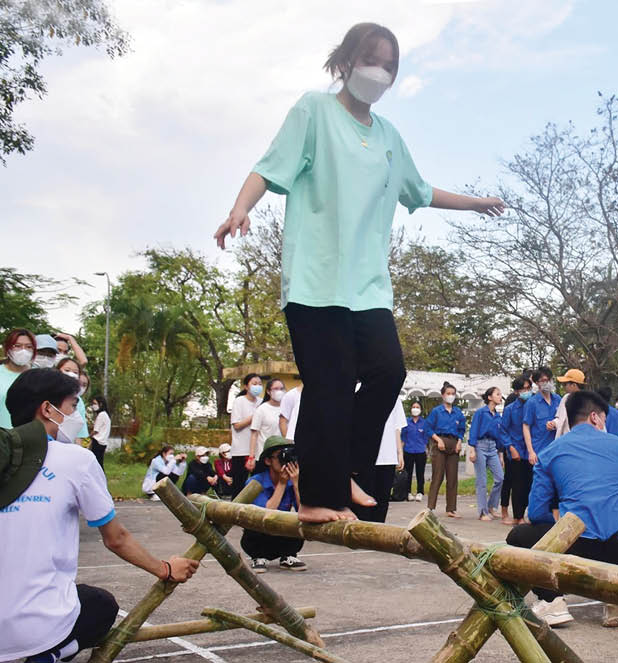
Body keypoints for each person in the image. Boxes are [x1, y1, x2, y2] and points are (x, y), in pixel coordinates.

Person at [214, 23, 504, 524]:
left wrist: (476, 204)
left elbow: (421, 189)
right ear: (345, 62)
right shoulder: (314, 111)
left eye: (389, 66)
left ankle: (343, 471)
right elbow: (269, 166)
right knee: (331, 383)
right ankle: (314, 498)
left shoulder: (390, 136)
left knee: (387, 371)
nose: (380, 72)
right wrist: (241, 208)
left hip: (368, 288)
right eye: (372, 60)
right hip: (315, 280)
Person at [0, 369, 198, 663]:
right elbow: (116, 538)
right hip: (36, 629)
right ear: (47, 410)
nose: (77, 417)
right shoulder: (75, 460)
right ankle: (51, 652)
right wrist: (166, 569)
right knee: (100, 605)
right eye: (71, 406)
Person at [506, 390, 618, 628]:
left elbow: (537, 513)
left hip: (575, 554)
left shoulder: (550, 453)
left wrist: (563, 527)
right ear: (595, 417)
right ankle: (616, 598)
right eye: (605, 419)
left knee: (518, 535)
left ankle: (551, 601)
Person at [242, 436, 307, 572]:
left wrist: (296, 484)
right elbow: (265, 514)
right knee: (253, 528)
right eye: (281, 456)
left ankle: (288, 555)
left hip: (281, 534)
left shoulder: (293, 480)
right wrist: (282, 484)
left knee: (298, 520)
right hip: (259, 535)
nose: (286, 461)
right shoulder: (256, 482)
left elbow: (304, 511)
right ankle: (258, 557)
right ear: (267, 460)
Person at [352, 397, 405, 522]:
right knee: (362, 504)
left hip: (387, 457)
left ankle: (377, 537)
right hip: (363, 457)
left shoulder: (394, 395)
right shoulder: (357, 390)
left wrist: (399, 452)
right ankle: (360, 538)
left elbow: (396, 427)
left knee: (382, 502)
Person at [425, 382, 466, 517]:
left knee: (452, 477)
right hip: (440, 443)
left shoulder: (458, 412)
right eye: (448, 394)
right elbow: (428, 428)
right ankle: (430, 507)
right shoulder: (437, 411)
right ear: (443, 395)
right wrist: (438, 440)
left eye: (453, 394)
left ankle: (451, 509)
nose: (451, 396)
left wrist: (459, 442)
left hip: (454, 444)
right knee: (437, 476)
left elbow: (462, 429)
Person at [468, 387, 505, 520]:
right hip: (480, 446)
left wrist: (500, 455)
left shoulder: (498, 416)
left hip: (493, 448)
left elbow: (500, 436)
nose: (500, 396)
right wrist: (472, 449)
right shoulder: (480, 413)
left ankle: (491, 506)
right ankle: (483, 512)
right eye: (498, 394)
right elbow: (474, 430)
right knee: (482, 481)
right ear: (490, 397)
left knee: (500, 478)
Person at [501, 376, 533, 525]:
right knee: (517, 484)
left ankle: (525, 514)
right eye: (523, 389)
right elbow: (503, 431)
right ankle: (518, 516)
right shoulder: (510, 409)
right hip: (516, 451)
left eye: (528, 388)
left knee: (529, 484)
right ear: (516, 392)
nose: (526, 392)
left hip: (531, 451)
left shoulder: (534, 406)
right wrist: (511, 448)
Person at [229, 373, 262, 497]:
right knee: (238, 486)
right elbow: (237, 425)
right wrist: (255, 416)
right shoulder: (239, 401)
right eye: (254, 384)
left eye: (259, 384)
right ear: (246, 386)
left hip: (257, 450)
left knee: (256, 486)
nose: (257, 386)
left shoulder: (261, 402)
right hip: (241, 450)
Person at [523, 367, 561, 465]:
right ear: (536, 382)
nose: (547, 383)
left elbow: (563, 419)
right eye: (543, 380)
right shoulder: (532, 402)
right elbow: (526, 427)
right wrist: (531, 452)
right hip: (539, 450)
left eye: (549, 380)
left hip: (556, 449)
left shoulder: (558, 399)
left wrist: (555, 423)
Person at [1, 328, 36, 428]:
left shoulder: (39, 375)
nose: (23, 350)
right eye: (17, 346)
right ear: (7, 348)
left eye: (29, 347)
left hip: (31, 437)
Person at [249, 378, 284, 464]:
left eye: (281, 389)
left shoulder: (286, 408)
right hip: (264, 456)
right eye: (276, 389)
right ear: (268, 391)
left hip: (282, 455)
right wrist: (251, 457)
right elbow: (254, 434)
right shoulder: (261, 409)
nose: (279, 391)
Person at [56, 359, 90, 443]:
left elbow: (80, 434)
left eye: (75, 372)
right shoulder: (45, 392)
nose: (71, 374)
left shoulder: (79, 402)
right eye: (67, 370)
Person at [401, 400, 429, 502]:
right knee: (408, 473)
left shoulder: (425, 423)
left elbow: (426, 438)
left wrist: (426, 450)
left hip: (420, 452)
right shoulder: (406, 422)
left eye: (417, 407)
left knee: (420, 474)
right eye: (413, 407)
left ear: (420, 410)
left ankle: (420, 492)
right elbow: (403, 438)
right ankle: (407, 492)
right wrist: (399, 452)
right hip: (408, 451)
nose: (415, 409)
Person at [552, 368, 585, 439]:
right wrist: (554, 423)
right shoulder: (565, 399)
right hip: (566, 441)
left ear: (574, 385)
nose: (564, 387)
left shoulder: (588, 402)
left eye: (565, 384)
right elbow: (560, 419)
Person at [89, 396, 111, 468]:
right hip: (103, 442)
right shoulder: (106, 415)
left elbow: (95, 430)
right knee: (99, 463)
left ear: (100, 404)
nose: (93, 406)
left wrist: (88, 437)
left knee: (96, 464)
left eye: (95, 403)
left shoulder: (101, 415)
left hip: (97, 442)